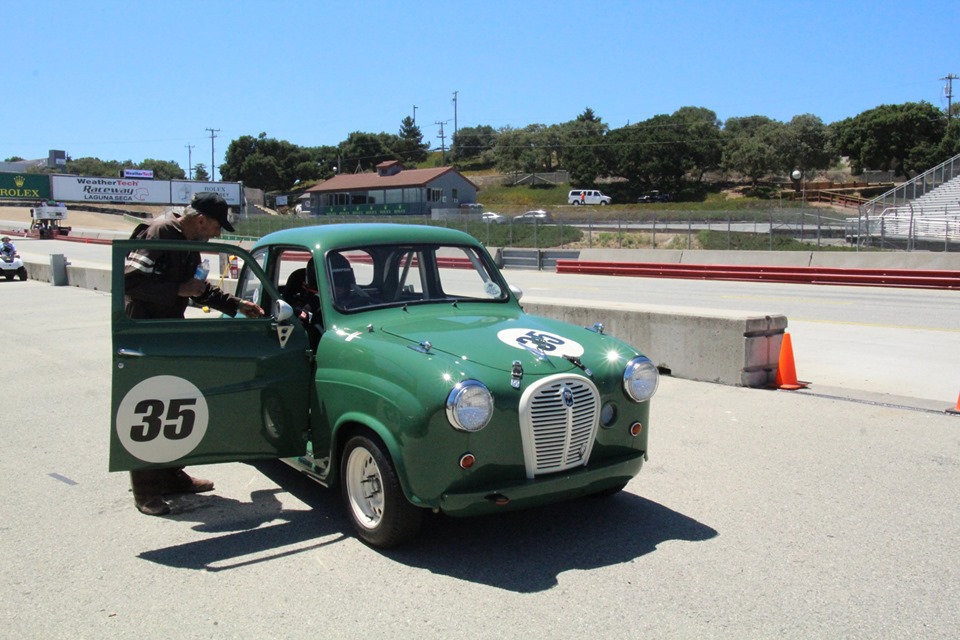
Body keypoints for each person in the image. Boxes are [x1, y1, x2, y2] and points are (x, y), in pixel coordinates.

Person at [123, 192, 265, 516]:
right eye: (216, 226)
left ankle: (172, 475)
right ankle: (145, 490)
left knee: (176, 402)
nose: (217, 234)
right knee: (149, 406)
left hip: (169, 331)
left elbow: (197, 286)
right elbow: (129, 280)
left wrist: (236, 305)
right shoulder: (160, 233)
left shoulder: (187, 240)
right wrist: (176, 290)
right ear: (201, 219)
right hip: (144, 334)